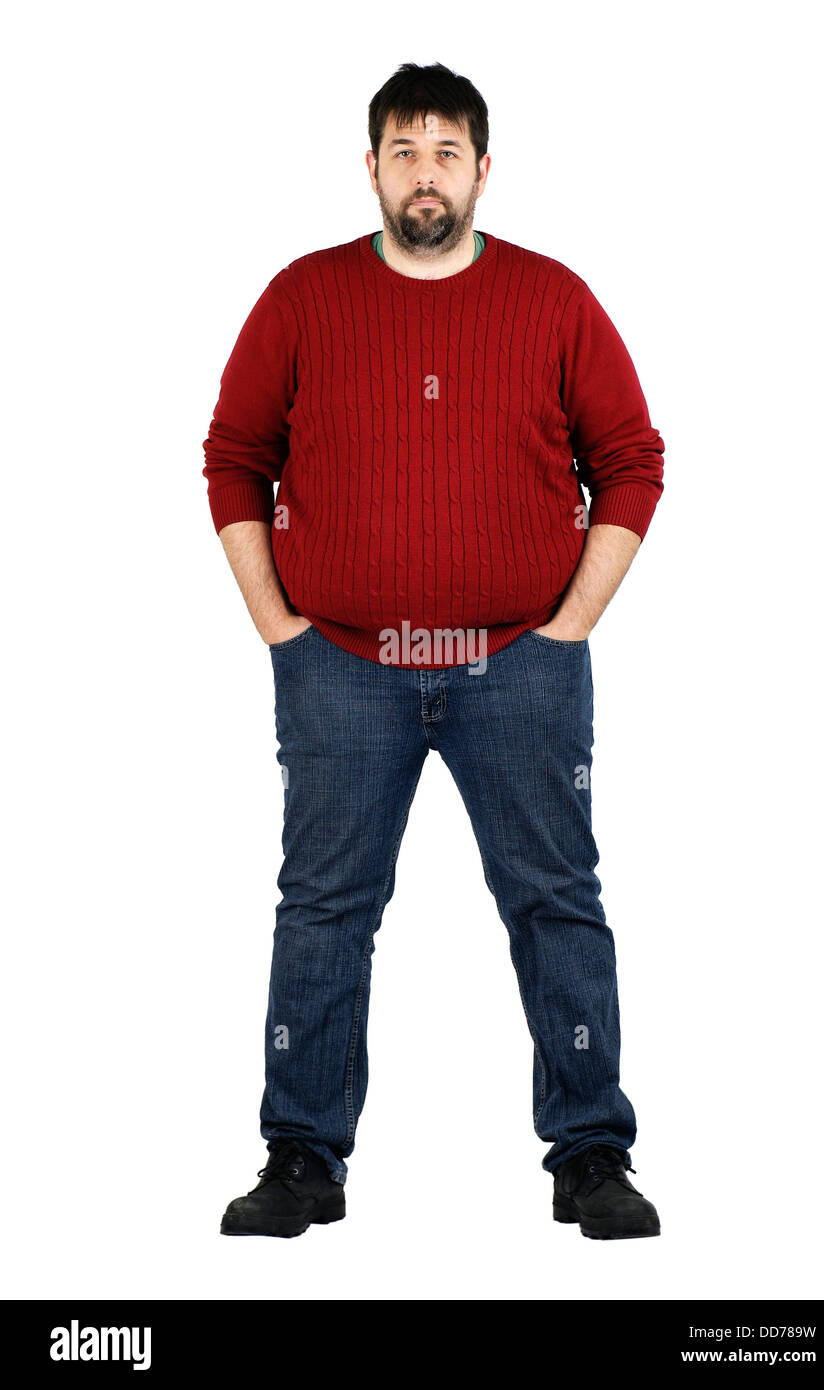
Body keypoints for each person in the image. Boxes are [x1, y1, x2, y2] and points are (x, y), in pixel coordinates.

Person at [202, 62, 664, 1240]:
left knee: (555, 901)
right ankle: (301, 1156)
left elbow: (630, 462)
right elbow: (233, 457)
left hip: (519, 664)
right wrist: (279, 629)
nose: (424, 173)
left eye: (445, 152)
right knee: (321, 910)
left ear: (481, 170)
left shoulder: (552, 299)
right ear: (370, 169)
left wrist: (568, 627)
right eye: (402, 151)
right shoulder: (301, 298)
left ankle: (590, 1152)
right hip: (340, 667)